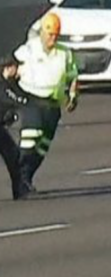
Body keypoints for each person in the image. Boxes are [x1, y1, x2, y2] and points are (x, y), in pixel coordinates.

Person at [13, 12, 79, 198]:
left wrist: (73, 96)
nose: (52, 39)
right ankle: (21, 181)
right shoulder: (29, 49)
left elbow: (73, 76)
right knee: (30, 140)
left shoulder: (64, 53)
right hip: (32, 99)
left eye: (55, 35)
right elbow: (11, 65)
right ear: (42, 32)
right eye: (49, 34)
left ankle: (26, 179)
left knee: (42, 146)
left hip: (53, 104)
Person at [0, 56, 28, 200]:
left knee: (13, 156)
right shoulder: (3, 86)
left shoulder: (9, 84)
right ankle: (19, 190)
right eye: (16, 67)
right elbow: (17, 99)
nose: (18, 70)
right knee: (13, 156)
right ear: (8, 68)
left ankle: (20, 189)